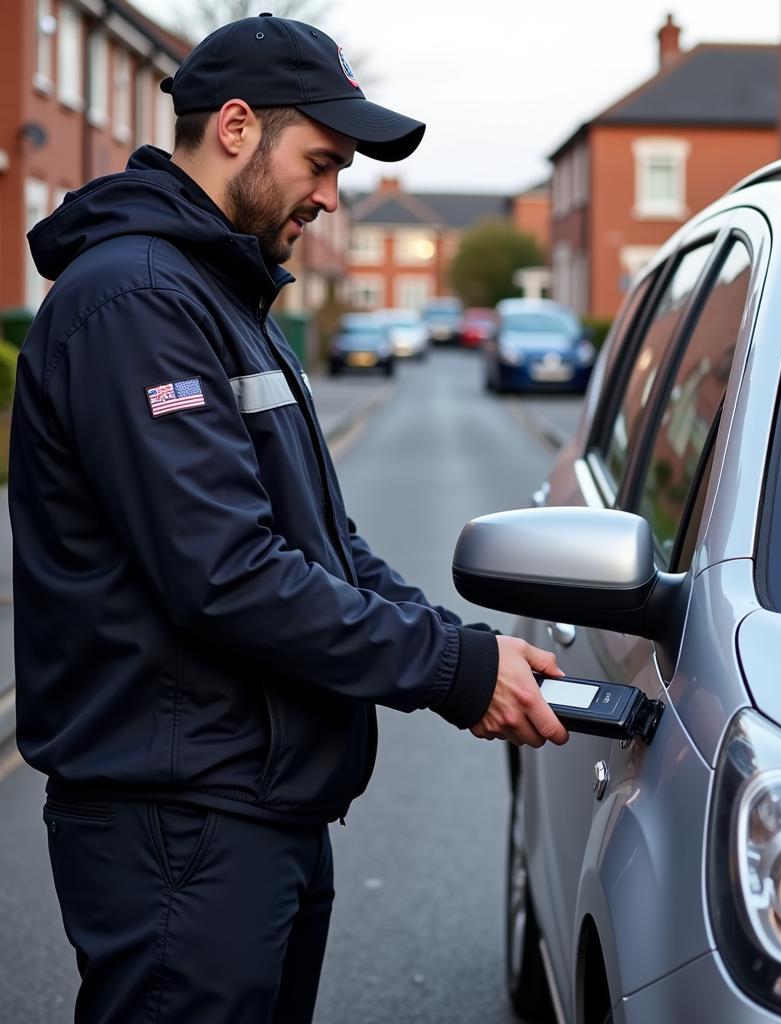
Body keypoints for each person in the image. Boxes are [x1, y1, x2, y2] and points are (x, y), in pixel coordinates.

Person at [10, 13, 568, 1023]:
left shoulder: (219, 299)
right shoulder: (136, 304)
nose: (328, 195)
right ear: (234, 127)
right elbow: (225, 571)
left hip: (250, 806)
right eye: (321, 161)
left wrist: (468, 651)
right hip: (178, 824)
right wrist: (450, 669)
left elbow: (324, 541)